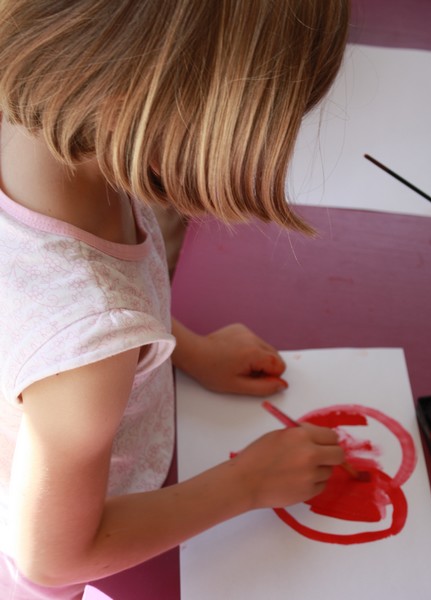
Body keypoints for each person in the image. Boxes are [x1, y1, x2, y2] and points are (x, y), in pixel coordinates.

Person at [0, 1, 349, 598]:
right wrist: (247, 483)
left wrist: (186, 350)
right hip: (93, 531)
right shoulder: (90, 355)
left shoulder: (50, 138)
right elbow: (51, 560)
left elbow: (94, 295)